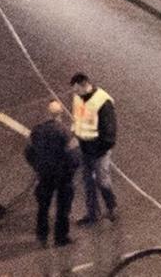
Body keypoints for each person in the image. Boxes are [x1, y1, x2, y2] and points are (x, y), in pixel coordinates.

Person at [27, 101, 77, 246]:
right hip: (63, 176)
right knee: (63, 207)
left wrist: (37, 166)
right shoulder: (65, 132)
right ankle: (61, 237)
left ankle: (42, 236)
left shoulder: (37, 130)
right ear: (60, 114)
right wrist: (71, 170)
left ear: (47, 114)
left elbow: (29, 152)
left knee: (43, 207)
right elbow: (73, 155)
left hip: (44, 174)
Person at [69, 73, 117, 222]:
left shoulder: (103, 102)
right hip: (85, 148)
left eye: (77, 90)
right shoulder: (78, 98)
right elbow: (78, 119)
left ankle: (111, 207)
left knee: (102, 181)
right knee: (88, 182)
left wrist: (98, 151)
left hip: (99, 151)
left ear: (85, 85)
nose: (75, 93)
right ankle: (92, 214)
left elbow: (109, 135)